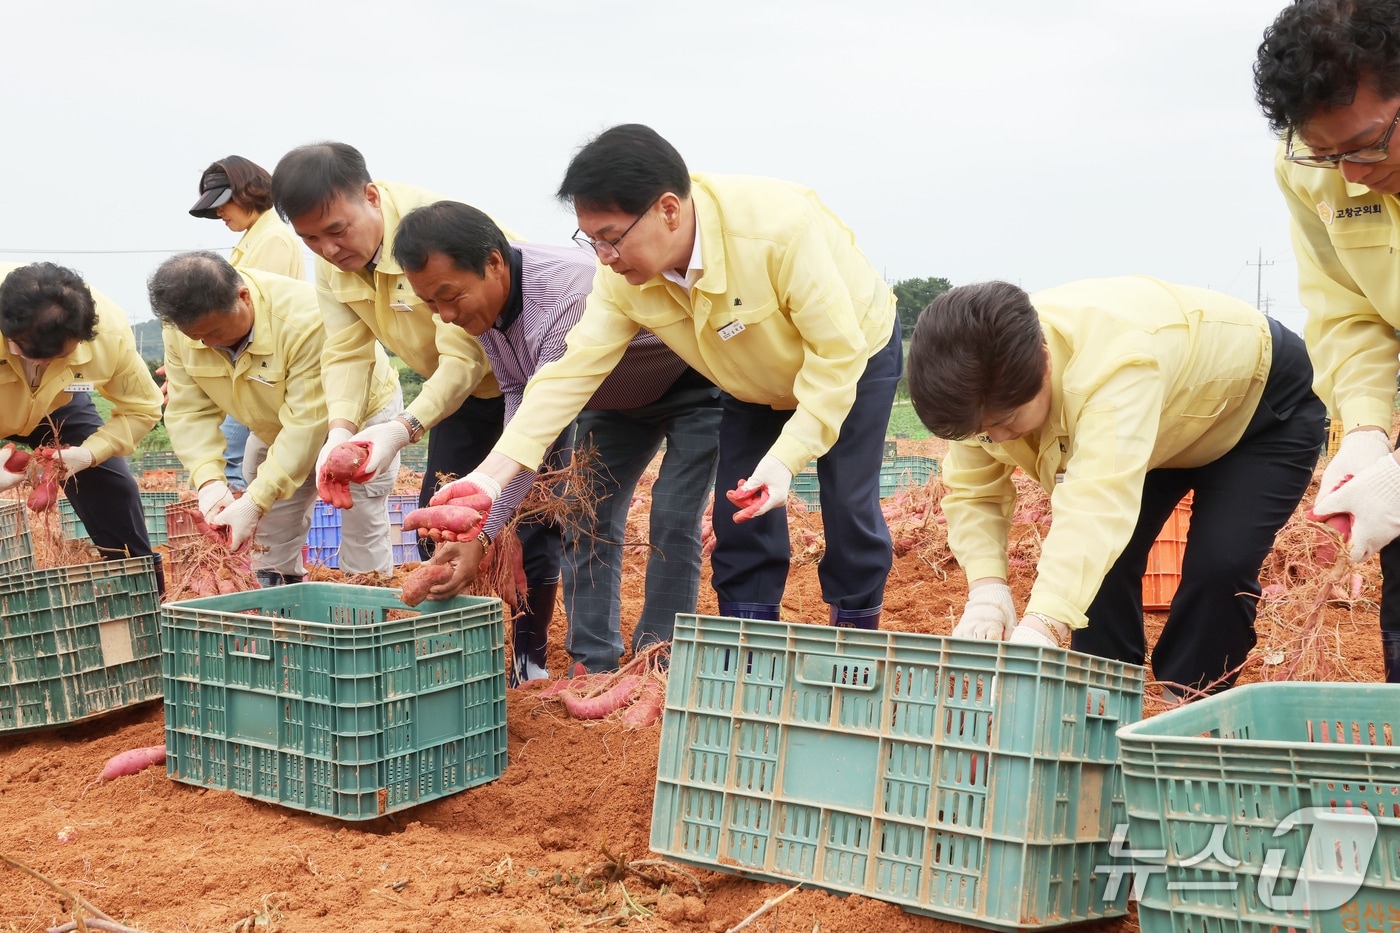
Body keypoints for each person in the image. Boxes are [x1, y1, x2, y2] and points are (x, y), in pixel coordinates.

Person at [427, 124, 900, 629]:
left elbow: (835, 356)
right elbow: (569, 373)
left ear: (668, 210)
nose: (602, 257)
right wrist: (488, 478)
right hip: (749, 380)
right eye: (590, 240)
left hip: (853, 359)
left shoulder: (779, 231)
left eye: (610, 239)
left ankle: (855, 645)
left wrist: (785, 460)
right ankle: (750, 654)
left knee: (847, 504)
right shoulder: (620, 280)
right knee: (739, 517)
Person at [906, 276, 1324, 697]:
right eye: (982, 431)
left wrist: (1042, 627)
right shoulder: (976, 382)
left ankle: (1188, 700)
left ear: (1046, 363)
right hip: (1165, 423)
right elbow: (974, 491)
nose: (996, 439)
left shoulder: (1114, 368)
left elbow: (1094, 510)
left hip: (1259, 407)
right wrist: (986, 588)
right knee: (1103, 564)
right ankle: (1103, 696)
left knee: (1221, 563)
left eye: (1007, 421)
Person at [394, 201, 721, 680]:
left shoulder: (562, 296)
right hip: (609, 400)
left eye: (449, 297)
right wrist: (485, 533)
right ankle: (594, 664)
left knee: (672, 514)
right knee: (586, 513)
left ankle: (659, 662)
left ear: (493, 263)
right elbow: (516, 397)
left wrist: (484, 530)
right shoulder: (484, 307)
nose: (444, 316)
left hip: (690, 382)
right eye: (431, 304)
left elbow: (539, 430)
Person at [269, 142, 518, 548]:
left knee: (531, 522)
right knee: (435, 533)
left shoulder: (433, 233)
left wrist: (403, 427)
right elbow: (346, 350)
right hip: (456, 395)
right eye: (310, 238)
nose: (327, 250)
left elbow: (465, 355)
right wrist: (339, 431)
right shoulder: (333, 263)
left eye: (336, 230)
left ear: (370, 197)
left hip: (522, 377)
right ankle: (460, 614)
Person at [1255, 0, 1400, 682]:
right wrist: (1367, 430)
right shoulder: (1313, 170)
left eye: (1370, 143)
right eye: (1325, 152)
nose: (1351, 173)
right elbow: (1346, 308)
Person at [148, 251, 403, 585]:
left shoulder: (305, 319)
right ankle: (281, 602)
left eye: (215, 331)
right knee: (272, 523)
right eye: (198, 337)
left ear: (243, 297)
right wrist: (209, 481)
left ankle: (365, 610)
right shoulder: (184, 332)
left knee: (360, 514)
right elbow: (188, 410)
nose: (208, 344)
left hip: (360, 416)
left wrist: (254, 500)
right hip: (276, 424)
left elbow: (305, 424)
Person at [0, 262, 165, 591]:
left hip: (58, 402)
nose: (40, 365)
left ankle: (142, 594)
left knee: (113, 487)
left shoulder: (110, 333)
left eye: (55, 357)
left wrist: (90, 454)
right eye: (26, 352)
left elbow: (142, 407)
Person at [189, 155, 306, 491]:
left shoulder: (273, 239)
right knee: (250, 462)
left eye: (223, 203)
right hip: (251, 368)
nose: (218, 213)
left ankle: (234, 533)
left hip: (260, 368)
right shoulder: (255, 237)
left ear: (248, 191)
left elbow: (257, 316)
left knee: (229, 459)